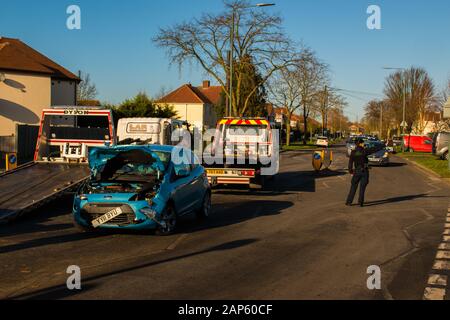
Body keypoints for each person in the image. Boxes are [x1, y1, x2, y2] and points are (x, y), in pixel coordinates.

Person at [346, 138, 382, 207]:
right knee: (362, 188)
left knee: (353, 187)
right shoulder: (364, 151)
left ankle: (349, 202)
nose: (363, 144)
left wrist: (350, 170)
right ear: (360, 143)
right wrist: (381, 146)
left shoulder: (353, 152)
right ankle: (360, 202)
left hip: (356, 171)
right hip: (364, 171)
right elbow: (374, 149)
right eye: (363, 143)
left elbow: (350, 163)